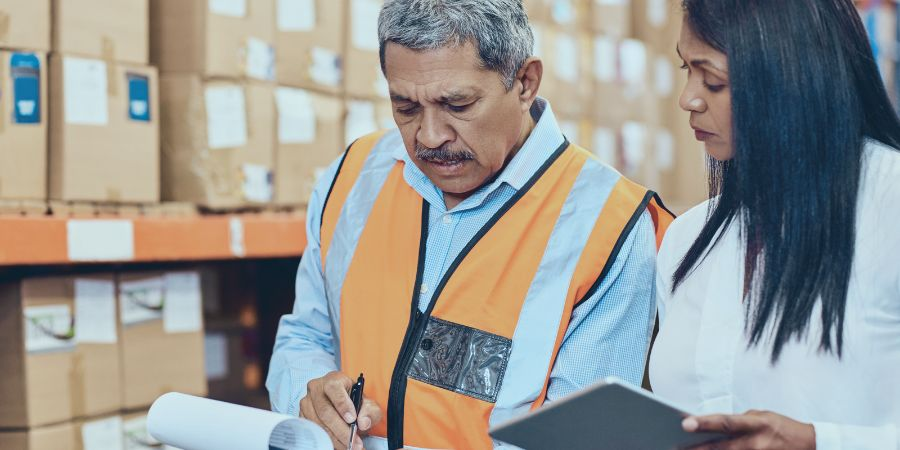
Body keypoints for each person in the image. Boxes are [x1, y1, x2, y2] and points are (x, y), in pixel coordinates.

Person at [266, 0, 673, 448]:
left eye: (457, 104)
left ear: (524, 82)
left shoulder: (609, 224)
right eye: (405, 107)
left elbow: (578, 438)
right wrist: (311, 398)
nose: (429, 136)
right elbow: (306, 334)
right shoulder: (353, 177)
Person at [650, 0, 900, 448]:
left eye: (713, 80)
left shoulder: (889, 202)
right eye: (685, 68)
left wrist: (818, 441)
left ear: (788, 77)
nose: (688, 98)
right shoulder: (688, 241)